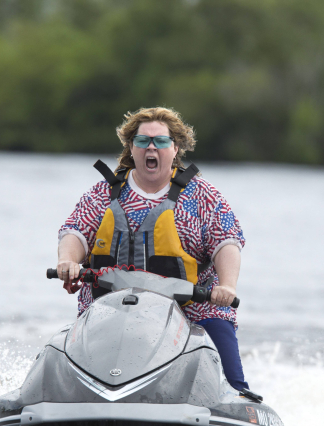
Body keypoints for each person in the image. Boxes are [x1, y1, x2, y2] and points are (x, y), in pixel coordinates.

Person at [56, 106, 252, 392]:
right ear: (131, 147)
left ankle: (236, 393)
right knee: (59, 360)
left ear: (175, 148)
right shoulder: (103, 193)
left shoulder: (202, 196)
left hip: (193, 310)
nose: (151, 147)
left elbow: (227, 243)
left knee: (231, 379)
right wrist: (68, 261)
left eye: (160, 141)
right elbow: (74, 232)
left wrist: (228, 286)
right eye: (142, 140)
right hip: (110, 311)